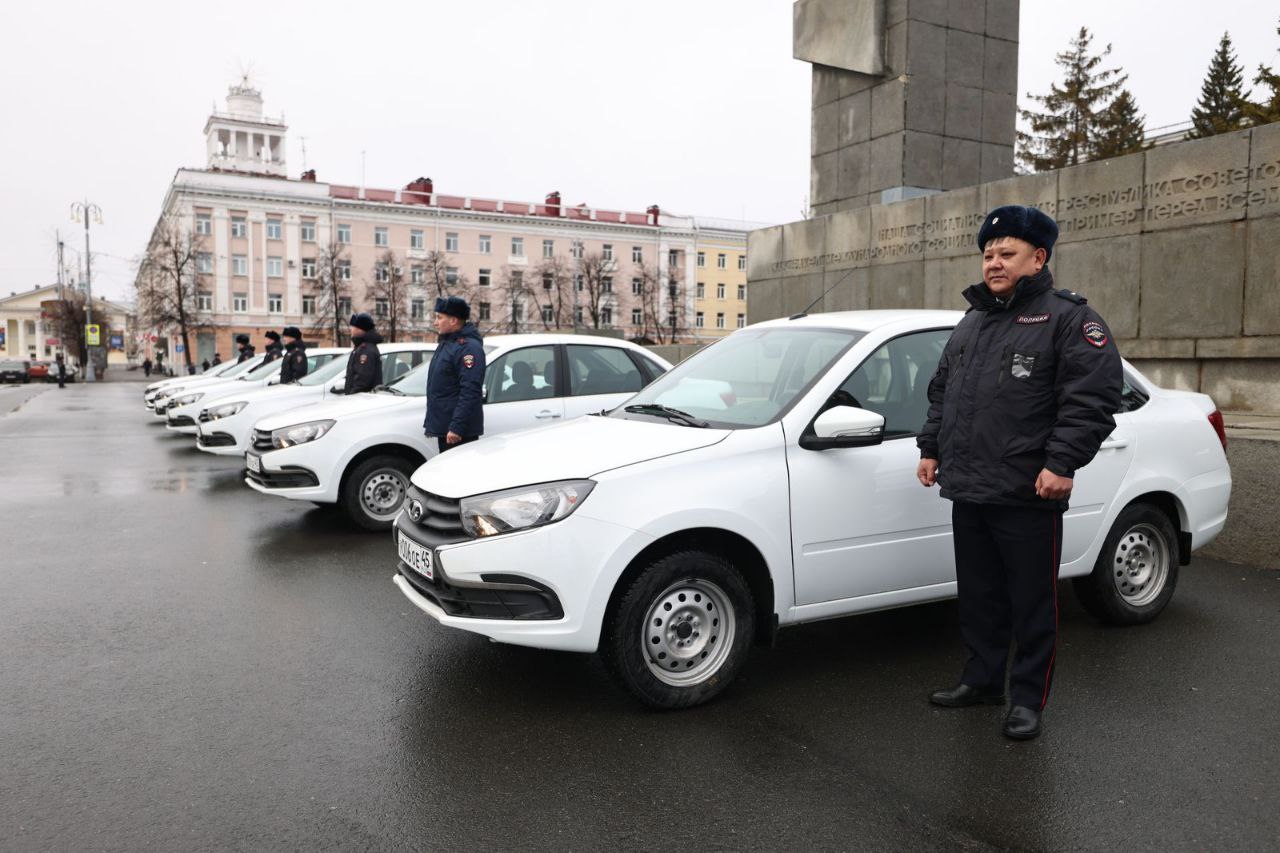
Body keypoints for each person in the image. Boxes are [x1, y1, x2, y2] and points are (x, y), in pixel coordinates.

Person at [916, 205, 1122, 741]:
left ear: (1038, 258)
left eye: (1007, 254)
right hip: (970, 487)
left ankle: (1028, 698)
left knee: (1032, 603)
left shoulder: (1070, 319)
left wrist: (1062, 463)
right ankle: (982, 680)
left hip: (1029, 491)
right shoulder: (973, 321)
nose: (994, 263)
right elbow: (944, 392)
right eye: (988, 254)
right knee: (980, 595)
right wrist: (930, 447)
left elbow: (1092, 401)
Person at [424, 295, 485, 454]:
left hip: (458, 432)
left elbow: (470, 391)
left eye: (439, 317)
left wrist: (457, 427)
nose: (435, 322)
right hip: (446, 426)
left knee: (459, 476)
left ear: (453, 321)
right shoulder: (448, 344)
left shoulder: (468, 348)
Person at [343, 313, 383, 394]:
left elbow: (362, 381)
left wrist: (351, 396)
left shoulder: (366, 350)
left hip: (361, 401)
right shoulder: (362, 347)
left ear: (360, 329)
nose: (352, 329)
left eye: (354, 327)